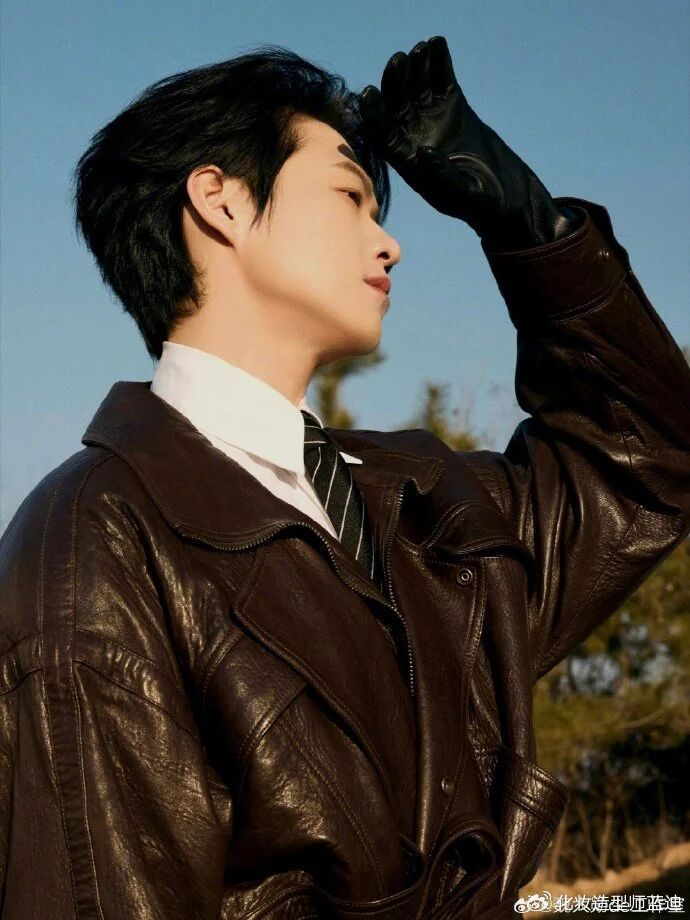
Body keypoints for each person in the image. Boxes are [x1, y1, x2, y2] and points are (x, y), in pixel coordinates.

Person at [1, 36, 688, 920]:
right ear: (220, 201)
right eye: (350, 197)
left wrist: (526, 223)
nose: (390, 242)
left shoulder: (424, 506)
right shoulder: (95, 540)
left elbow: (646, 457)